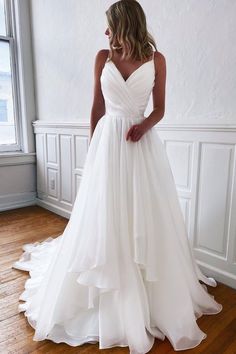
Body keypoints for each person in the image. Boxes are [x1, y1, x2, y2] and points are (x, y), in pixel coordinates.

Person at [12, 1, 223, 353]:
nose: (105, 32)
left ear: (125, 23)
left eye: (109, 25)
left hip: (140, 145)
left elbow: (161, 109)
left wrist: (143, 126)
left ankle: (145, 284)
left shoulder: (157, 60)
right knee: (106, 213)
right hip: (108, 145)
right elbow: (96, 107)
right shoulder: (102, 57)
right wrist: (94, 148)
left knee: (143, 212)